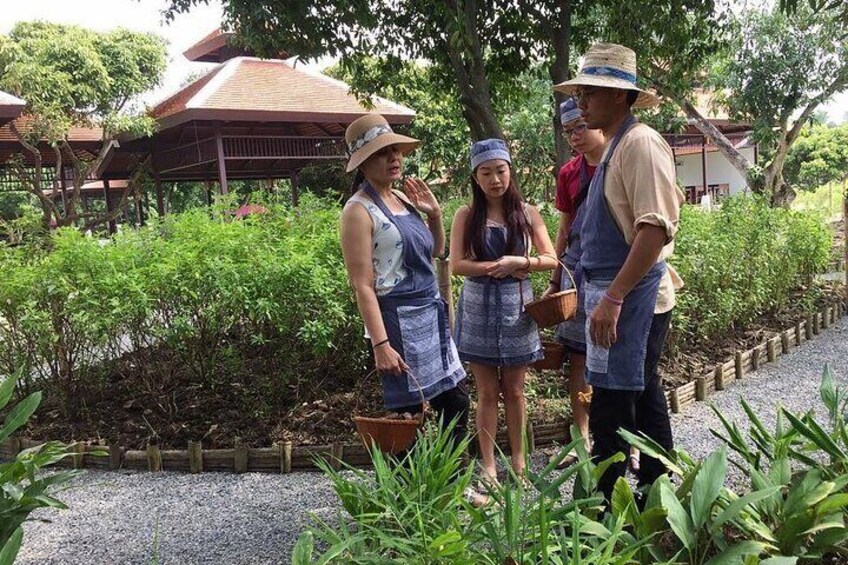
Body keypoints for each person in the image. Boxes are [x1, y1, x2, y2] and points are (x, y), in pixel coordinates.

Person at [553, 43, 684, 505]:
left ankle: (600, 509)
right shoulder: (614, 145)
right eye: (582, 91)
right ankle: (657, 494)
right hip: (614, 296)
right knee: (643, 393)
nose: (582, 101)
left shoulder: (640, 143)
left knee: (610, 402)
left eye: (591, 92)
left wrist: (613, 298)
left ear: (621, 96)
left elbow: (653, 231)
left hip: (632, 299)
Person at [340, 113, 470, 449]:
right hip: (396, 320)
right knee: (406, 417)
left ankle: (450, 488)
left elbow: (436, 251)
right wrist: (381, 346)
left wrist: (435, 215)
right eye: (383, 152)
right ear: (363, 163)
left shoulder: (404, 200)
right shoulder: (358, 211)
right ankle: (410, 496)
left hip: (429, 315)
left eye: (395, 150)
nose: (394, 158)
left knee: (454, 403)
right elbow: (363, 284)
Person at [450, 139, 557, 487]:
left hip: (517, 309)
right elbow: (457, 265)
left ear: (510, 171)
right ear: (475, 177)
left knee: (514, 391)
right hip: (478, 307)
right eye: (486, 172)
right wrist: (498, 267)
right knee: (485, 392)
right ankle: (489, 466)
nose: (495, 179)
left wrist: (521, 262)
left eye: (500, 170)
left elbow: (552, 258)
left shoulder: (527, 213)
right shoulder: (466, 215)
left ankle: (520, 463)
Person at [543, 98, 605, 467]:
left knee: (613, 359)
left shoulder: (621, 161)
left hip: (613, 274)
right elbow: (565, 226)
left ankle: (620, 439)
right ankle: (581, 439)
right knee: (579, 359)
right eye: (569, 131)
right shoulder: (568, 173)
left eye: (581, 127)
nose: (576, 137)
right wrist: (556, 277)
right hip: (577, 271)